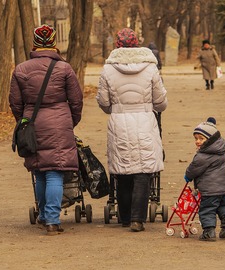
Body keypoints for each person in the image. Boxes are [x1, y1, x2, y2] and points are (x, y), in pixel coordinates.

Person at [9, 24, 83, 236]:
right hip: (59, 123)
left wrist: (24, 123)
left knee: (40, 172)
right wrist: (70, 121)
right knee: (55, 173)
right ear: (53, 44)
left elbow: (15, 102)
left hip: (32, 123)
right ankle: (51, 220)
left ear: (34, 44)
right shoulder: (64, 68)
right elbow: (76, 101)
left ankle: (43, 215)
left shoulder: (21, 69)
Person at [96, 28, 167, 232]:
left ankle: (125, 217)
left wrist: (116, 109)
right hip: (145, 121)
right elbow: (161, 102)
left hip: (119, 122)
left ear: (117, 45)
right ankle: (138, 219)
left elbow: (103, 101)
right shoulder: (151, 68)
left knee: (123, 170)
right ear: (137, 44)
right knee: (143, 170)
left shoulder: (108, 70)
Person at [184, 117, 225, 241]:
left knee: (207, 209)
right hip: (224, 188)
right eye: (196, 138)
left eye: (201, 138)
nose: (197, 141)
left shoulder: (203, 155)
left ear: (210, 139)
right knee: (221, 205)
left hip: (210, 190)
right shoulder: (223, 149)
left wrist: (188, 176)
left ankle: (209, 232)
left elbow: (194, 168)